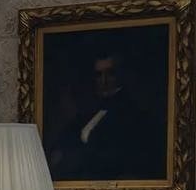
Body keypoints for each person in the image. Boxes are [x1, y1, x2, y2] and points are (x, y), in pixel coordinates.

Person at [46, 50, 163, 181]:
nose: (104, 80)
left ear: (120, 75)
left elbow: (115, 159)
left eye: (110, 74)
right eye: (99, 75)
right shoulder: (87, 114)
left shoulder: (132, 116)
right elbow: (60, 148)